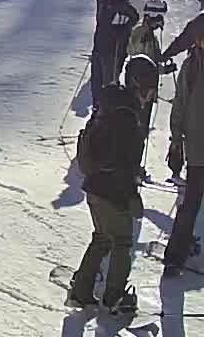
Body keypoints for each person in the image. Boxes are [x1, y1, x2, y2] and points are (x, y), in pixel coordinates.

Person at [68, 54, 160, 312]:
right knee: (122, 241)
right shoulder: (126, 116)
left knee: (102, 238)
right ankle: (114, 297)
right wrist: (132, 195)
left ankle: (81, 291)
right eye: (150, 90)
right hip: (110, 189)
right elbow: (122, 162)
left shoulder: (110, 103)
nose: (151, 97)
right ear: (137, 84)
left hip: (94, 186)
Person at [163, 28, 204, 277]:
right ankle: (174, 257)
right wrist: (176, 141)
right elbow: (179, 106)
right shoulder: (192, 67)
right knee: (190, 206)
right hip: (198, 150)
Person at [93, 0, 138, 87]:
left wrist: (123, 29)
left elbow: (135, 16)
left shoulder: (120, 2)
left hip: (113, 50)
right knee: (96, 83)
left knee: (109, 85)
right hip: (99, 47)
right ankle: (97, 105)